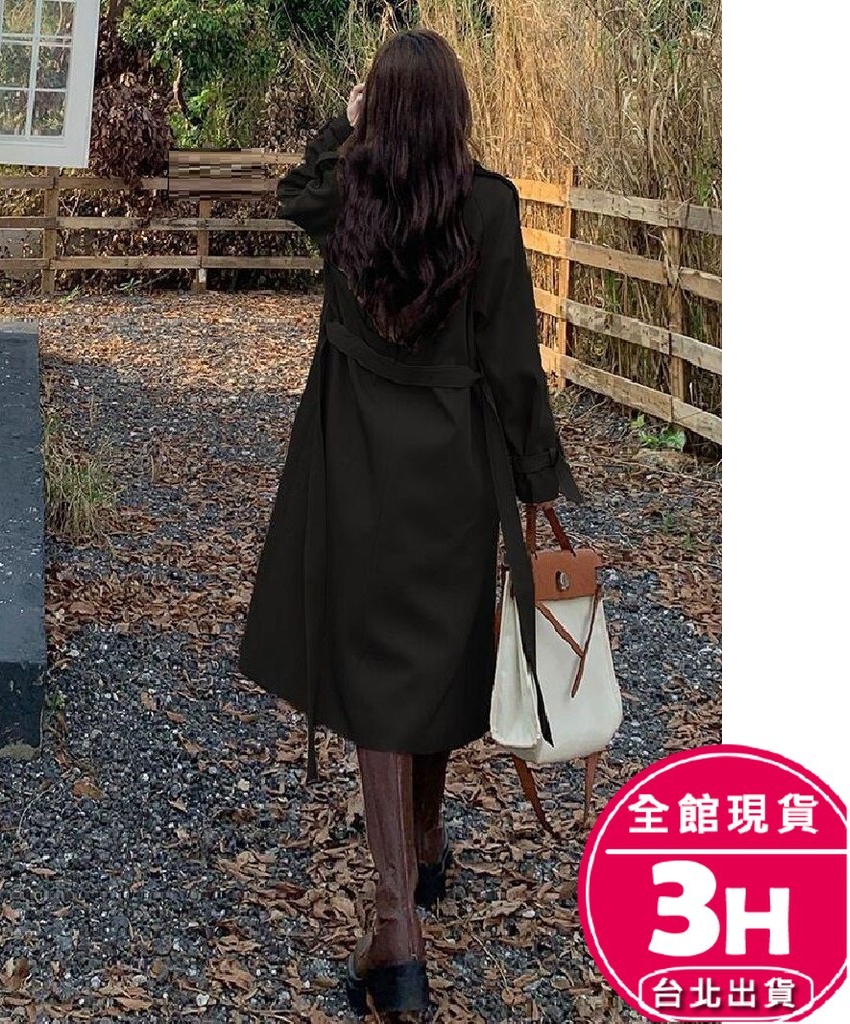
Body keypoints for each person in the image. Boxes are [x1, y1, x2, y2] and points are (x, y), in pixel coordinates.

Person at [238, 27, 583, 1018]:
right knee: (431, 656)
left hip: (356, 463)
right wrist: (537, 479)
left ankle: (411, 883)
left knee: (384, 674)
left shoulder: (347, 194)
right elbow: (512, 361)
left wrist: (343, 128)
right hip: (454, 471)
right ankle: (403, 901)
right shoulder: (489, 205)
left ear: (379, 111)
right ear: (455, 109)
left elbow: (295, 191)